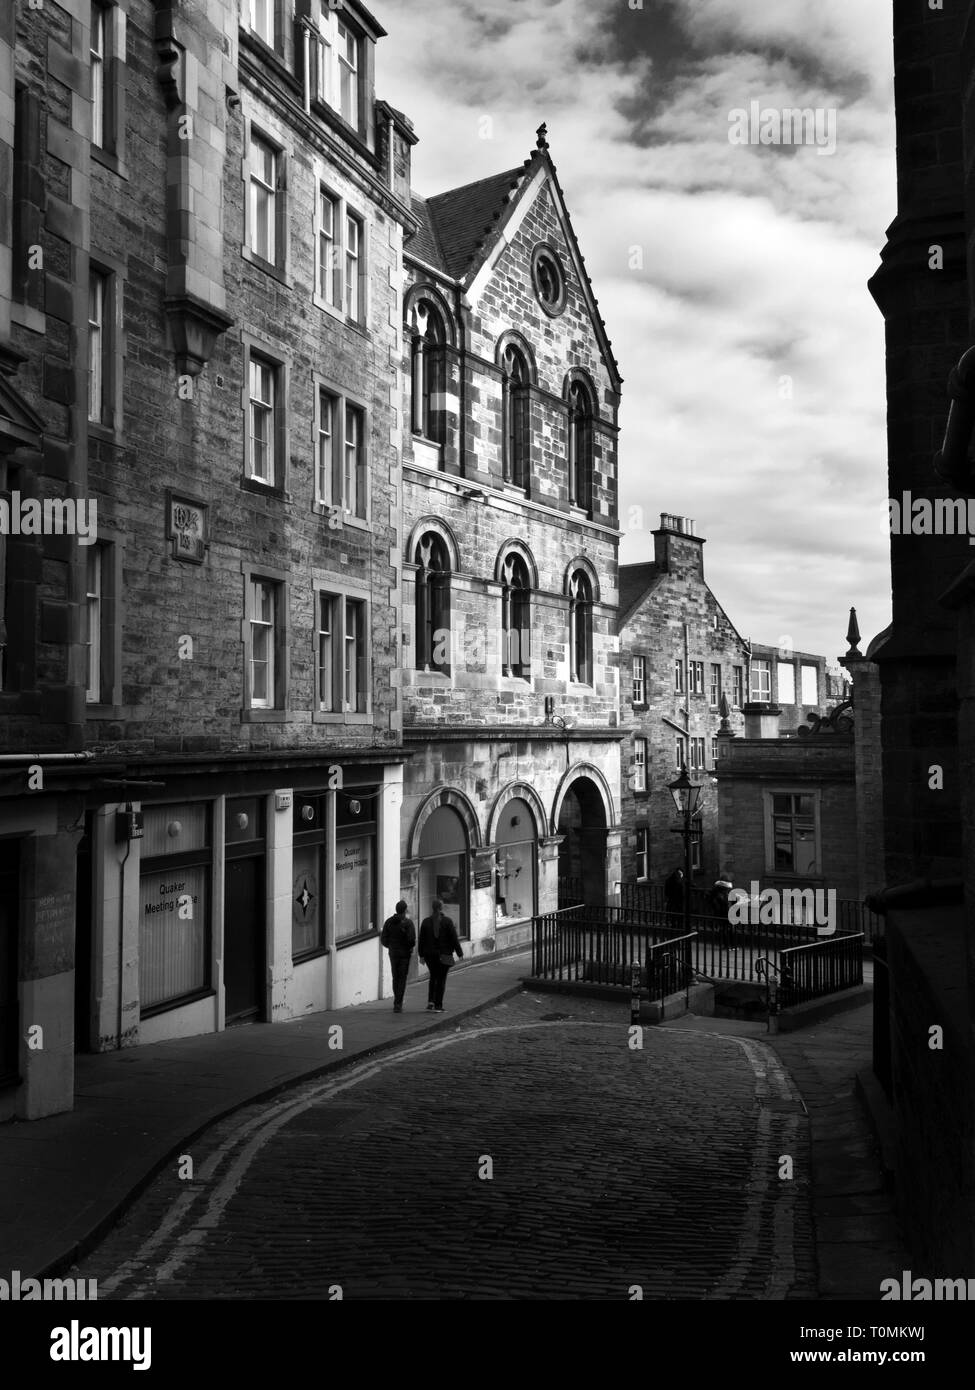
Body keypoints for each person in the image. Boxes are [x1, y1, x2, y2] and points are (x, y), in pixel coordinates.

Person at [418, 898, 463, 1013]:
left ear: (432, 908)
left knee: (433, 977)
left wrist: (421, 955)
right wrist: (459, 953)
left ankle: (430, 1002)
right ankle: (438, 1004)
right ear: (441, 908)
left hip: (429, 955)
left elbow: (421, 940)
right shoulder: (447, 921)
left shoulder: (426, 922)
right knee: (441, 979)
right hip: (444, 955)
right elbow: (454, 939)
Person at [381, 900, 416, 1013]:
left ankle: (397, 1001)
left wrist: (391, 946)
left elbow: (383, 939)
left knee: (395, 977)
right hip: (405, 954)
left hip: (393, 953)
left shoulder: (388, 922)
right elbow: (411, 940)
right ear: (405, 910)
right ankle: (398, 1003)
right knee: (402, 978)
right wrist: (408, 946)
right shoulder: (408, 923)